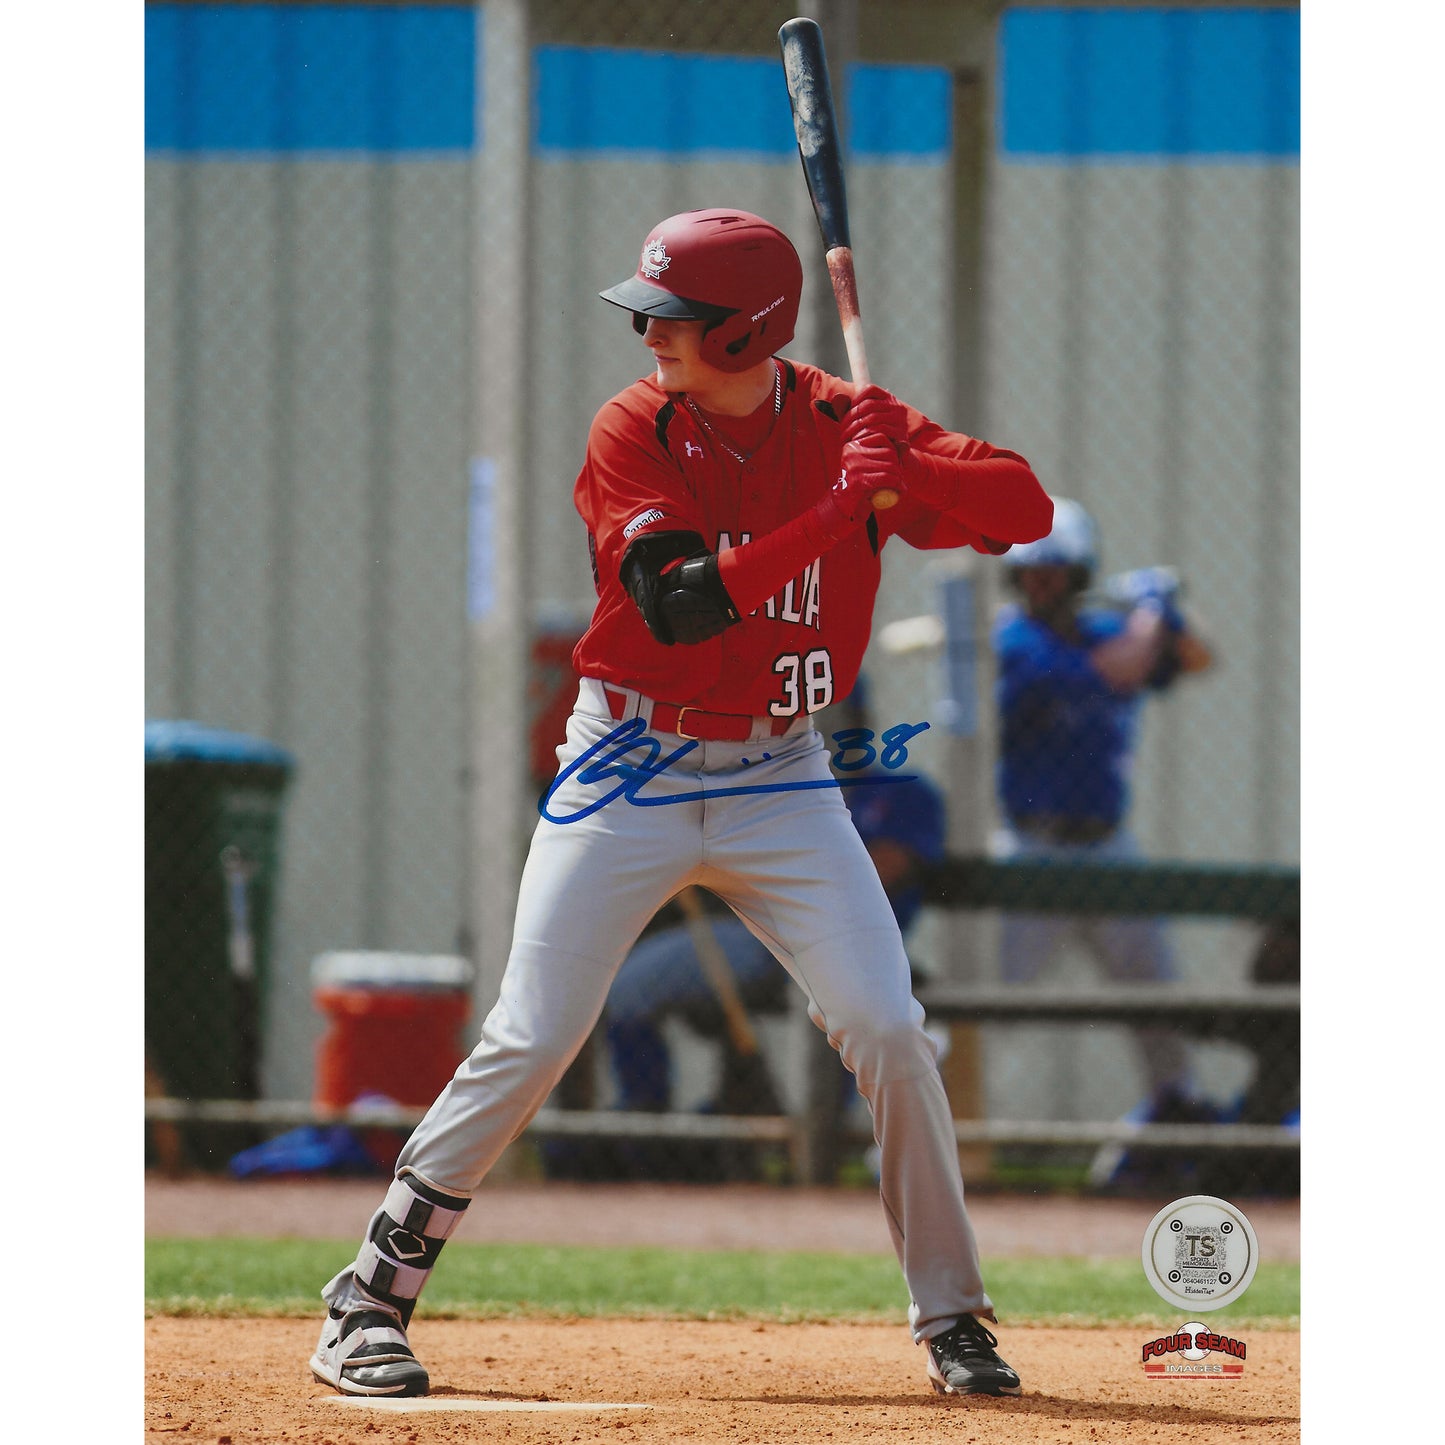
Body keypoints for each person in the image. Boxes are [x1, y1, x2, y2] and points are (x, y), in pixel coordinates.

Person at [308, 207, 1052, 1402]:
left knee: (886, 1026)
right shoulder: (632, 425)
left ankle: (953, 1315)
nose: (651, 332)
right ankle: (366, 1302)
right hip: (626, 764)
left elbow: (1021, 509)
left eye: (675, 319)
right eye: (648, 314)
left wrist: (901, 464)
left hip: (784, 775)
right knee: (535, 1030)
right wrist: (829, 515)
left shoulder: (838, 421)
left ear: (750, 331)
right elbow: (677, 601)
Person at [597, 680, 947, 1164]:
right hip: (754, 936)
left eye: (838, 714)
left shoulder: (900, 790)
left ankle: (839, 1143)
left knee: (866, 1014)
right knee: (627, 991)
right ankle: (645, 1120)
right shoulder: (758, 782)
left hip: (851, 946)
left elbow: (879, 876)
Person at [989, 497, 1217, 1182]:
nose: (1042, 585)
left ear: (1079, 573)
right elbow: (1120, 667)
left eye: (1055, 572)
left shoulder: (1104, 627)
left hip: (1107, 845)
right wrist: (1148, 612)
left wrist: (1168, 608)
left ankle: (1178, 1123)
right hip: (1031, 852)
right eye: (1032, 574)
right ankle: (928, 1128)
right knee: (992, 1004)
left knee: (1155, 999)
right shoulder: (1013, 642)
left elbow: (1198, 657)